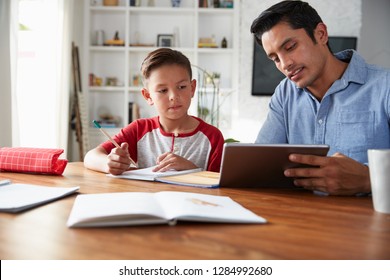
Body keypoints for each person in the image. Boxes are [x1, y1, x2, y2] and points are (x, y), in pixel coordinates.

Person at [250, 1, 390, 196]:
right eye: (274, 58)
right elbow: (260, 165)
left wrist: (369, 179)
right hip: (302, 220)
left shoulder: (385, 87)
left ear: (321, 34)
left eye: (290, 47)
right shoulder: (284, 93)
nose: (284, 64)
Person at [84, 48, 224, 175]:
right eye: (163, 90)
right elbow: (90, 157)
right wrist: (109, 164)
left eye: (181, 87)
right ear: (148, 96)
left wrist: (191, 169)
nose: (173, 96)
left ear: (192, 88)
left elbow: (221, 186)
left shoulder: (212, 137)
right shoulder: (139, 130)